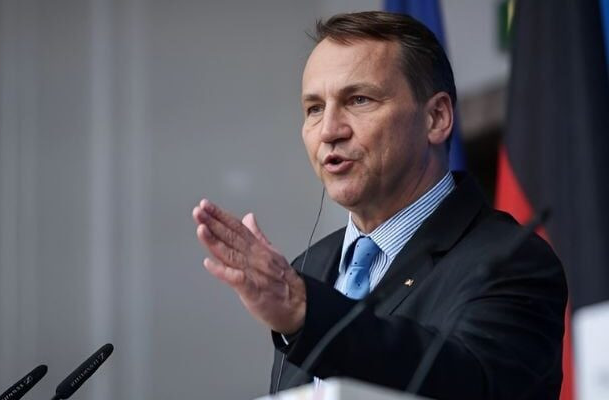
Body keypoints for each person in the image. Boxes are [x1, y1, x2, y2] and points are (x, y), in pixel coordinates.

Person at [192, 11, 567, 400]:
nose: (329, 131)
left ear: (436, 118)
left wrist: (306, 312)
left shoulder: (510, 259)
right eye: (314, 108)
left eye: (358, 99)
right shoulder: (310, 268)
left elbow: (472, 384)